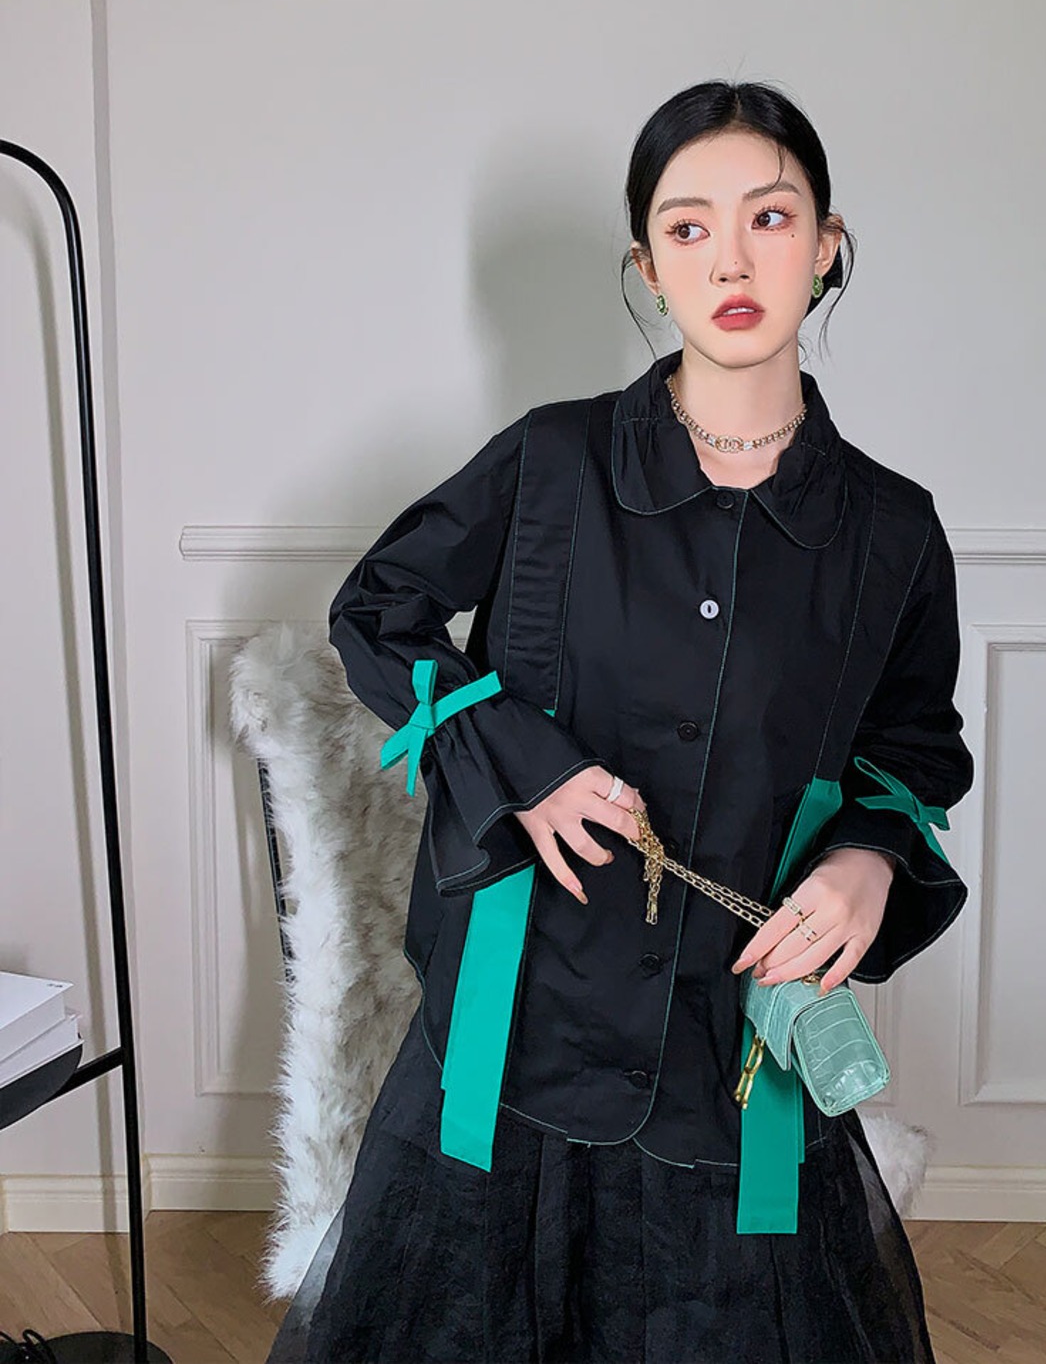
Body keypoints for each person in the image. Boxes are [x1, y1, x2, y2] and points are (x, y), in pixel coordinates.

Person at [270, 79, 974, 1363]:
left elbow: (913, 754)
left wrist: (870, 861)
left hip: (736, 1057)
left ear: (825, 246)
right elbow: (378, 611)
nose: (731, 260)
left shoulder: (890, 530)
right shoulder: (549, 462)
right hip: (519, 1032)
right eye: (688, 227)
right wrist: (522, 765)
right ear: (646, 267)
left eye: (769, 218)